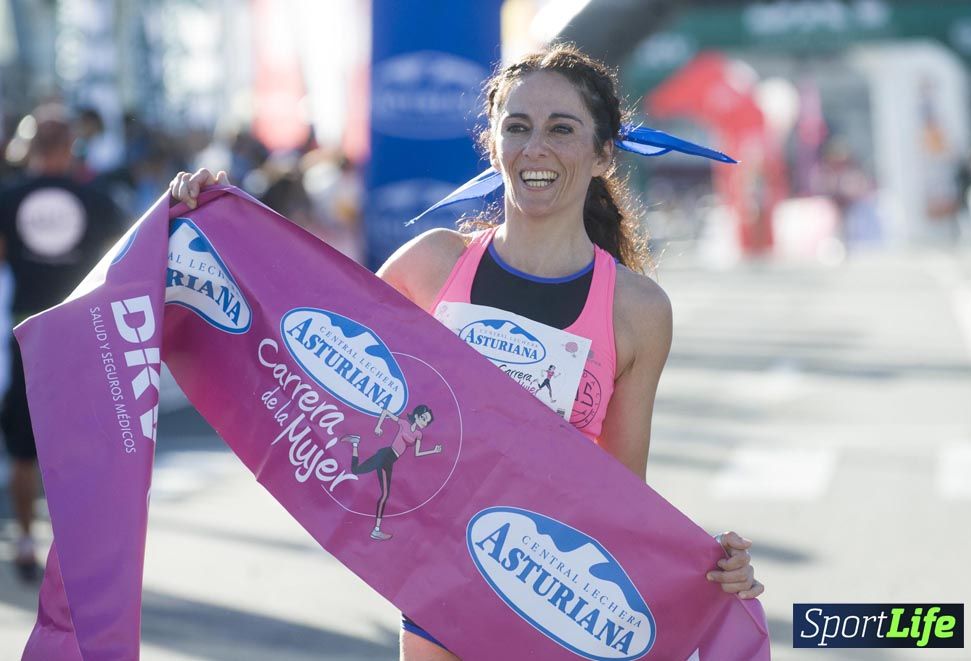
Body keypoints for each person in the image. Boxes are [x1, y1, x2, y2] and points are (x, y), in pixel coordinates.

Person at [171, 43, 763, 661]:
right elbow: (305, 336)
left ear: (603, 155)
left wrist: (708, 568)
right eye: (518, 127)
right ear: (494, 144)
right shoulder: (432, 264)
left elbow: (622, 499)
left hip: (550, 594)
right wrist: (213, 226)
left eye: (562, 129)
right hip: (440, 587)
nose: (535, 148)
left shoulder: (636, 311)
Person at [0, 104, 126, 581]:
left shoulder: (8, 198)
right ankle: (79, 546)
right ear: (72, 147)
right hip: (83, 332)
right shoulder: (97, 199)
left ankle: (26, 540)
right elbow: (122, 263)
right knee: (84, 443)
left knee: (23, 446)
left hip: (27, 332)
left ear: (28, 147)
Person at [347, 403, 441, 541]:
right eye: (423, 418)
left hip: (389, 460)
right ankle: (376, 530)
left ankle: (355, 443)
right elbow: (385, 412)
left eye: (427, 422)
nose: (424, 423)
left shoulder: (418, 434)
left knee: (359, 473)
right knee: (382, 492)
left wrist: (433, 450)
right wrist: (378, 426)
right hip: (386, 455)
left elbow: (417, 453)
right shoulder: (404, 423)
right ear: (416, 416)